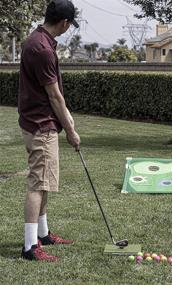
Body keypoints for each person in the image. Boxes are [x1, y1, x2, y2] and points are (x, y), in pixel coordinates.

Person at [18, 0, 81, 262]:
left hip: (35, 122)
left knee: (44, 182)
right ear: (64, 23)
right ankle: (30, 247)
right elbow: (54, 97)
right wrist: (70, 130)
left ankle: (42, 235)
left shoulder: (35, 40)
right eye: (70, 25)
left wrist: (67, 122)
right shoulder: (42, 49)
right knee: (38, 183)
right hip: (41, 125)